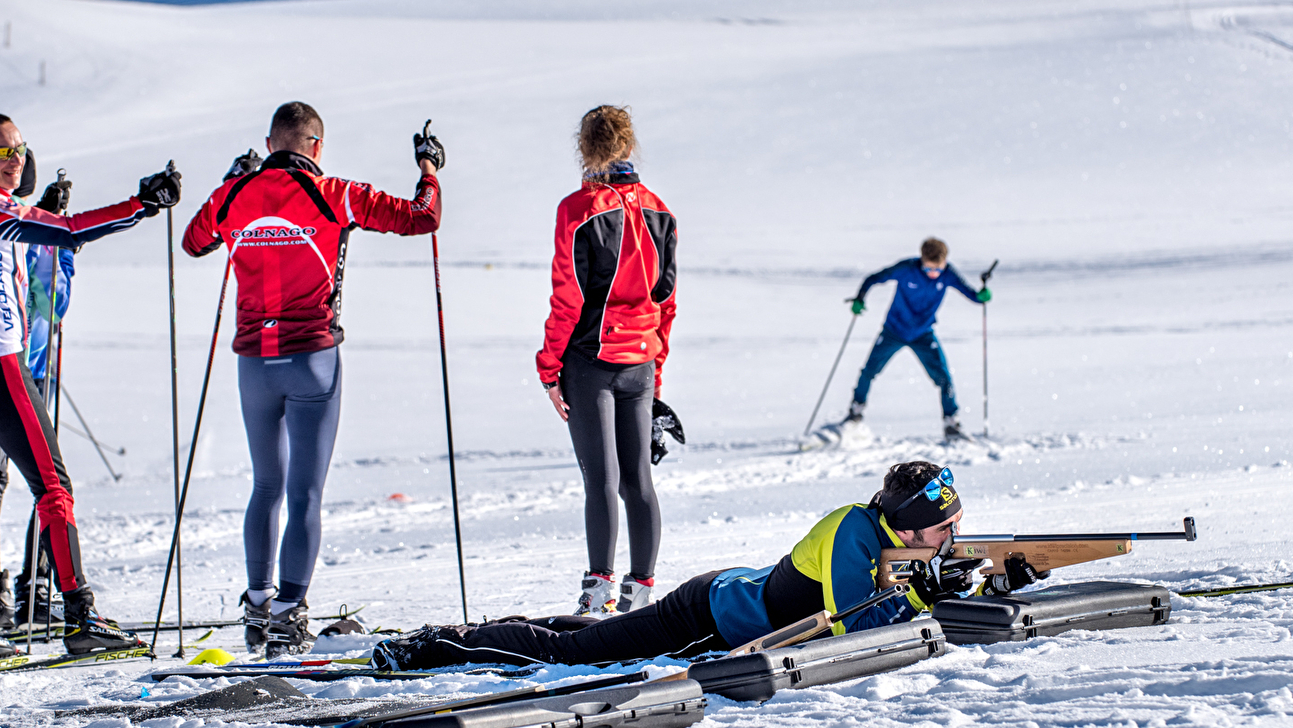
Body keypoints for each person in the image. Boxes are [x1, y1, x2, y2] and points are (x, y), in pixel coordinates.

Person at [181, 102, 443, 658]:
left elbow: (195, 242)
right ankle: (287, 614)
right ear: (316, 146)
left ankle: (257, 606)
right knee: (304, 492)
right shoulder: (334, 193)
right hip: (312, 359)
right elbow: (422, 217)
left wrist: (231, 182)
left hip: (254, 362)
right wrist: (428, 167)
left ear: (269, 144)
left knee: (265, 486)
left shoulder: (232, 195)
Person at [370, 460, 1047, 670]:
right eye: (944, 529)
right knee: (571, 657)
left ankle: (482, 630)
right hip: (709, 617)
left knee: (588, 637)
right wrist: (936, 595)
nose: (954, 536)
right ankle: (432, 647)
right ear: (907, 526)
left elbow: (901, 604)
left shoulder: (895, 541)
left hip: (727, 606)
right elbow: (856, 631)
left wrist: (992, 583)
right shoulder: (853, 533)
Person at [0, 113, 180, 663]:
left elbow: (37, 235)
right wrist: (141, 205)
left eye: (19, 149)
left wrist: (44, 208)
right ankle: (81, 617)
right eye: (1, 152)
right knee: (53, 487)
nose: (14, 159)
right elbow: (66, 232)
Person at [535, 105, 677, 618]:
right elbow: (666, 301)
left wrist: (548, 369)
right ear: (629, 145)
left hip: (591, 362)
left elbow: (567, 299)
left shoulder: (578, 209)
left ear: (584, 149)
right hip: (640, 362)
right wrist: (656, 373)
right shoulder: (660, 210)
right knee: (637, 479)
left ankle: (598, 590)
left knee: (601, 480)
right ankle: (641, 591)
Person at [0, 156, 75, 633]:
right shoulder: (0, 227)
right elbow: (51, 302)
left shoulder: (28, 230)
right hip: (8, 372)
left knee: (31, 486)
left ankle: (24, 587)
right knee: (11, 486)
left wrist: (58, 237)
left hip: (28, 371)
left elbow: (52, 303)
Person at [816, 237, 988, 446]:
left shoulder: (949, 274)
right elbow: (873, 278)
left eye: (938, 269)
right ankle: (855, 414)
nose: (933, 274)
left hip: (923, 334)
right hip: (893, 331)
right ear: (921, 260)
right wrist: (860, 298)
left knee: (944, 378)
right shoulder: (906, 269)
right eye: (928, 269)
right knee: (869, 372)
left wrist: (982, 295)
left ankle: (952, 425)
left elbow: (973, 295)